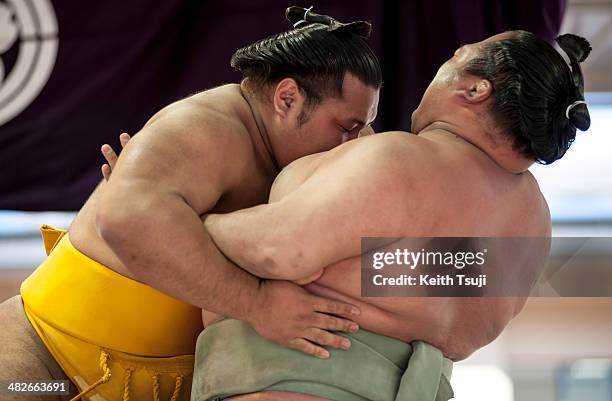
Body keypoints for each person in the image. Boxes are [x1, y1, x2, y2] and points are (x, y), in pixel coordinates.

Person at [0, 7, 382, 401]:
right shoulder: (207, 127)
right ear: (287, 98)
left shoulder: (321, 159)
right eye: (346, 127)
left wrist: (196, 225)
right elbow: (125, 220)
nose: (356, 142)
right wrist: (257, 303)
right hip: (43, 359)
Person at [187, 31, 590, 400]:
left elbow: (281, 251)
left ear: (474, 89)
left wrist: (194, 218)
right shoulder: (533, 224)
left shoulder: (407, 162)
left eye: (454, 57)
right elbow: (399, 272)